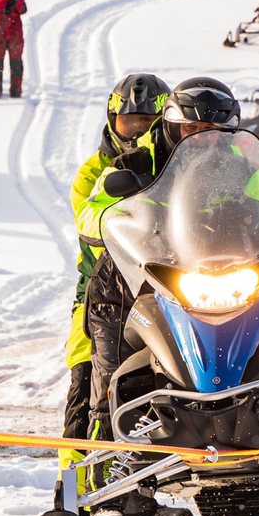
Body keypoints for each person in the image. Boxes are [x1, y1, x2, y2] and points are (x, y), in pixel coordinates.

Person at [70, 76, 244, 516]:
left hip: (199, 275)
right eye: (190, 128)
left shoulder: (240, 164)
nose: (201, 139)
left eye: (214, 131)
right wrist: (132, 211)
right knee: (111, 379)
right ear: (173, 126)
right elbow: (91, 212)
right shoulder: (139, 157)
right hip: (125, 283)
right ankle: (98, 493)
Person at [59, 72, 168, 483]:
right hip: (100, 291)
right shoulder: (96, 170)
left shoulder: (182, 161)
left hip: (168, 288)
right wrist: (121, 198)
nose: (137, 130)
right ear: (112, 121)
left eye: (146, 122)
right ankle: (72, 490)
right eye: (128, 122)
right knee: (86, 386)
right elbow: (86, 217)